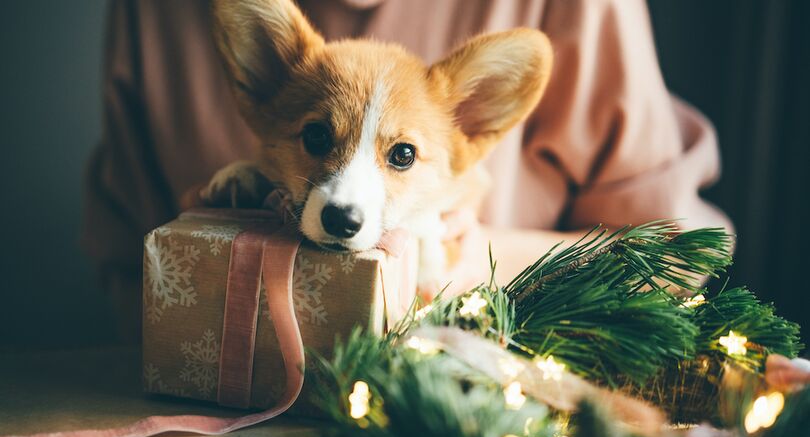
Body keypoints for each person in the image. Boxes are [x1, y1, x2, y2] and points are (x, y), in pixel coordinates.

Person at [83, 0, 732, 342]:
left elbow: (677, 263)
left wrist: (470, 261)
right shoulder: (164, 13)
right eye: (318, 137)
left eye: (399, 156)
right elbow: (128, 273)